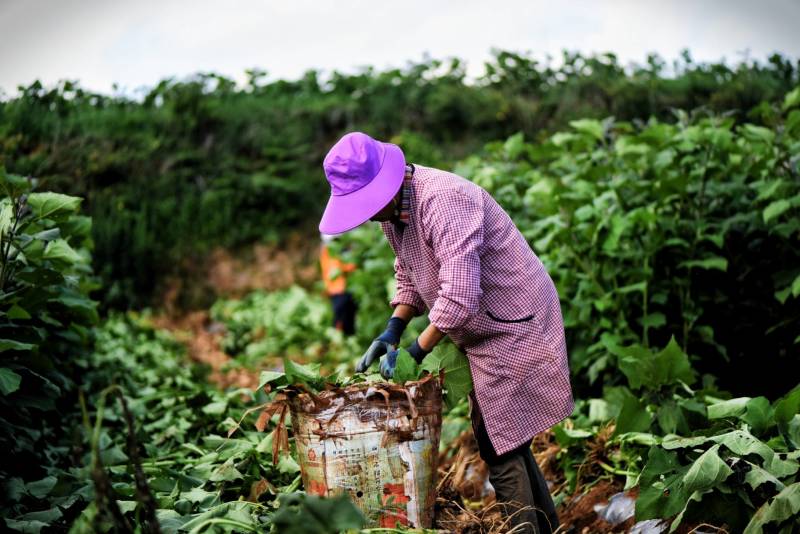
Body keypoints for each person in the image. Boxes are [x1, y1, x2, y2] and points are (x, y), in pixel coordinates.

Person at [318, 131, 573, 534]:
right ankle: (549, 528)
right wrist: (393, 328)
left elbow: (459, 296)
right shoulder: (394, 214)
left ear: (384, 184)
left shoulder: (443, 200)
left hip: (513, 319)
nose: (367, 215)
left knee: (499, 441)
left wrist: (415, 353)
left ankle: (526, 529)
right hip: (484, 327)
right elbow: (409, 272)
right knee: (506, 438)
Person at [319, 233, 358, 336]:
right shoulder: (330, 250)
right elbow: (343, 267)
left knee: (349, 317)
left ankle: (346, 339)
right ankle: (338, 342)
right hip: (338, 289)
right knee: (340, 319)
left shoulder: (331, 250)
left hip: (344, 288)